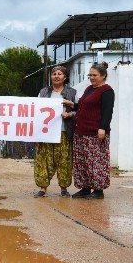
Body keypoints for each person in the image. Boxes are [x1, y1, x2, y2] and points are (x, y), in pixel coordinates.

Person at [71, 62, 115, 199]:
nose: (92, 77)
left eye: (95, 75)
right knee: (82, 161)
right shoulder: (89, 89)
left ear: (103, 76)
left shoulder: (107, 91)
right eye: (90, 75)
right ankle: (85, 188)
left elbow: (107, 111)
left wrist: (102, 128)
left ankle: (98, 190)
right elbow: (83, 106)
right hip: (81, 132)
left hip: (95, 133)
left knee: (95, 161)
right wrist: (72, 105)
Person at [33, 66, 77, 197]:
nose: (56, 76)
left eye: (59, 74)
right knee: (44, 160)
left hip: (64, 132)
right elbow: (36, 111)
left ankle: (64, 188)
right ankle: (43, 188)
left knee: (64, 160)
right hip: (46, 133)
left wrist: (70, 114)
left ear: (65, 77)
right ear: (51, 77)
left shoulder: (73, 93)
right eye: (54, 74)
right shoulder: (43, 92)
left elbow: (80, 110)